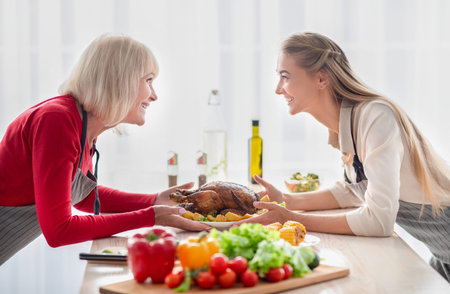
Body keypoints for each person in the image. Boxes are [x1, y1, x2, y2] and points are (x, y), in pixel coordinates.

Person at [239, 32, 450, 282]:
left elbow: (378, 222)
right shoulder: (346, 123)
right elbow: (355, 190)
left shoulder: (376, 117)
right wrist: (287, 200)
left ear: (321, 78)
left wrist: (292, 218)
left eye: (285, 76)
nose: (277, 89)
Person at [0, 34, 210, 265]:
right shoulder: (56, 120)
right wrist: (151, 217)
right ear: (120, 81)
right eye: (148, 80)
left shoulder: (83, 127)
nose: (154, 95)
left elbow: (83, 196)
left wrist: (154, 200)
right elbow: (59, 230)